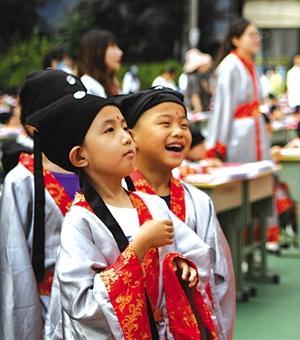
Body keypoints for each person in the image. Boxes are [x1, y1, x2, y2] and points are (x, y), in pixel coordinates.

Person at [30, 93, 218, 338]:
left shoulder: (151, 204)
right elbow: (82, 304)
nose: (126, 138)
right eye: (109, 130)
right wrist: (139, 247)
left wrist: (180, 264)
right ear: (79, 156)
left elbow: (193, 253)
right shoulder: (80, 221)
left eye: (125, 127)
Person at [115, 88, 236, 339]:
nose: (179, 132)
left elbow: (219, 275)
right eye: (165, 123)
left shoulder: (199, 202)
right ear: (130, 135)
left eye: (184, 124)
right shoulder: (115, 200)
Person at [0, 70, 86, 339]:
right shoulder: (21, 181)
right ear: (35, 125)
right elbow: (15, 262)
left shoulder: (97, 171)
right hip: (49, 307)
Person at [206, 18, 270, 162]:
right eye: (251, 35)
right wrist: (217, 143)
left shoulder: (251, 65)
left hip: (254, 128)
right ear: (235, 40)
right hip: (238, 133)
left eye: (258, 35)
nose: (257, 39)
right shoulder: (230, 66)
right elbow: (223, 107)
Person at [77, 29, 123, 97]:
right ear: (96, 52)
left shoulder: (112, 85)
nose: (120, 52)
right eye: (112, 46)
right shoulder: (89, 86)